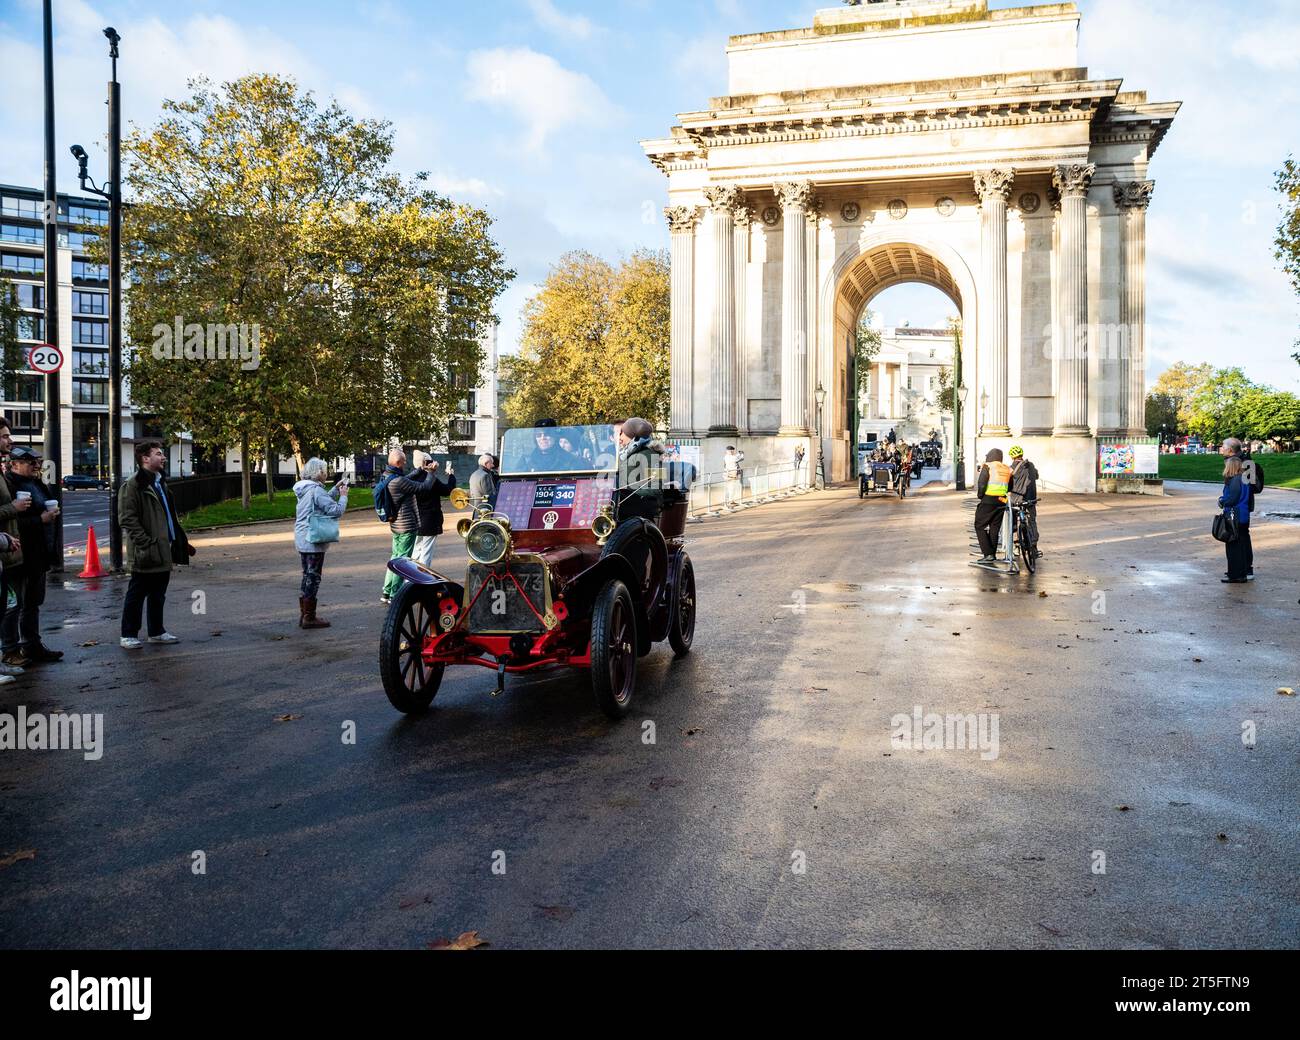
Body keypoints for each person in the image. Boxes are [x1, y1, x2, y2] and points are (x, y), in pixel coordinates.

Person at [118, 441, 195, 649]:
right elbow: (127, 518)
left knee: (158, 593)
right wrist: (146, 543)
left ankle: (156, 631)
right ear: (145, 458)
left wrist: (178, 540)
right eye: (159, 454)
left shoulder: (160, 482)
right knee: (137, 592)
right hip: (147, 549)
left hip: (163, 547)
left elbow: (169, 516)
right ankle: (128, 634)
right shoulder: (134, 485)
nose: (163, 457)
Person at [1, 445, 64, 666]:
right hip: (19, 553)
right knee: (14, 604)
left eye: (37, 462)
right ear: (14, 464)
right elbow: (11, 522)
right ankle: (11, 649)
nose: (36, 466)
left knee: (33, 602)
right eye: (31, 462)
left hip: (39, 553)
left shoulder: (36, 483)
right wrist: (41, 520)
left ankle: (32, 646)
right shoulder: (9, 485)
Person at [293, 458, 349, 629]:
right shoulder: (316, 490)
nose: (326, 474)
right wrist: (343, 496)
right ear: (318, 473)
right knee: (313, 577)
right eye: (324, 471)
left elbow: (321, 500)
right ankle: (309, 617)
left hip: (302, 537)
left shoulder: (305, 488)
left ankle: (304, 614)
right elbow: (335, 510)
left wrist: (335, 488)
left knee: (307, 575)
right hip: (313, 539)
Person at [389, 451, 456, 570]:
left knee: (416, 551)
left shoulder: (408, 478)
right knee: (426, 552)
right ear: (426, 463)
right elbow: (447, 490)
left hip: (414, 519)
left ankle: (410, 577)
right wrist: (451, 476)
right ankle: (423, 578)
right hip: (430, 520)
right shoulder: (430, 479)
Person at [0, 419, 29, 682]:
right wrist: (14, 509)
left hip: (8, 548)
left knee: (9, 604)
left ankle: (5, 656)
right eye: (5, 436)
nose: (9, 440)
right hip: (3, 548)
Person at [379, 448, 416, 605]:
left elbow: (405, 480)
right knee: (402, 560)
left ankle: (386, 592)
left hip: (395, 523)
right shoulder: (399, 481)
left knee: (395, 557)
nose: (406, 463)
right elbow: (422, 487)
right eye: (404, 461)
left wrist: (419, 470)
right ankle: (396, 594)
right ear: (398, 463)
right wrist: (431, 474)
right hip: (406, 524)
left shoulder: (387, 477)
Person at [1220, 437, 1260, 579]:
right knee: (1240, 537)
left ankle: (1246, 568)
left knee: (1241, 538)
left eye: (1223, 447)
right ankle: (1240, 568)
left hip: (1240, 507)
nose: (1222, 449)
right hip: (1240, 506)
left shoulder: (1245, 462)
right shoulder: (1235, 461)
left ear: (1230, 449)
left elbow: (1253, 487)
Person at [973, 448, 1011, 564]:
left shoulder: (988, 466)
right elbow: (1011, 486)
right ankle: (992, 554)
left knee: (979, 525)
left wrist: (980, 495)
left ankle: (988, 554)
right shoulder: (1007, 468)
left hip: (988, 499)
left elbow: (982, 482)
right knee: (995, 527)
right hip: (1002, 500)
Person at [1219, 455, 1253, 584]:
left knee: (1233, 546)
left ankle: (1236, 574)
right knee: (1240, 545)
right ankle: (1241, 571)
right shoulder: (1244, 479)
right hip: (1243, 515)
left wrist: (1222, 501)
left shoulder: (1235, 480)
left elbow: (1232, 499)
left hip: (1235, 515)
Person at [1007, 445, 1041, 559]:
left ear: (1012, 457)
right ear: (1022, 455)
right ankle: (1034, 547)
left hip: (1016, 499)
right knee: (1032, 521)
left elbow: (1008, 480)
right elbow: (1036, 476)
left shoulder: (1012, 468)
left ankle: (1016, 546)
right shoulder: (1031, 465)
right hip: (1031, 499)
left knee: (1013, 522)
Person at [722, 445, 745, 509]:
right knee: (731, 488)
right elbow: (741, 458)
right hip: (731, 474)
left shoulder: (726, 456)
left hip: (727, 474)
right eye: (732, 451)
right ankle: (729, 501)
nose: (732, 452)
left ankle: (728, 501)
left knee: (729, 488)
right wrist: (742, 454)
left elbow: (735, 456)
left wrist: (738, 453)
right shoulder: (732, 457)